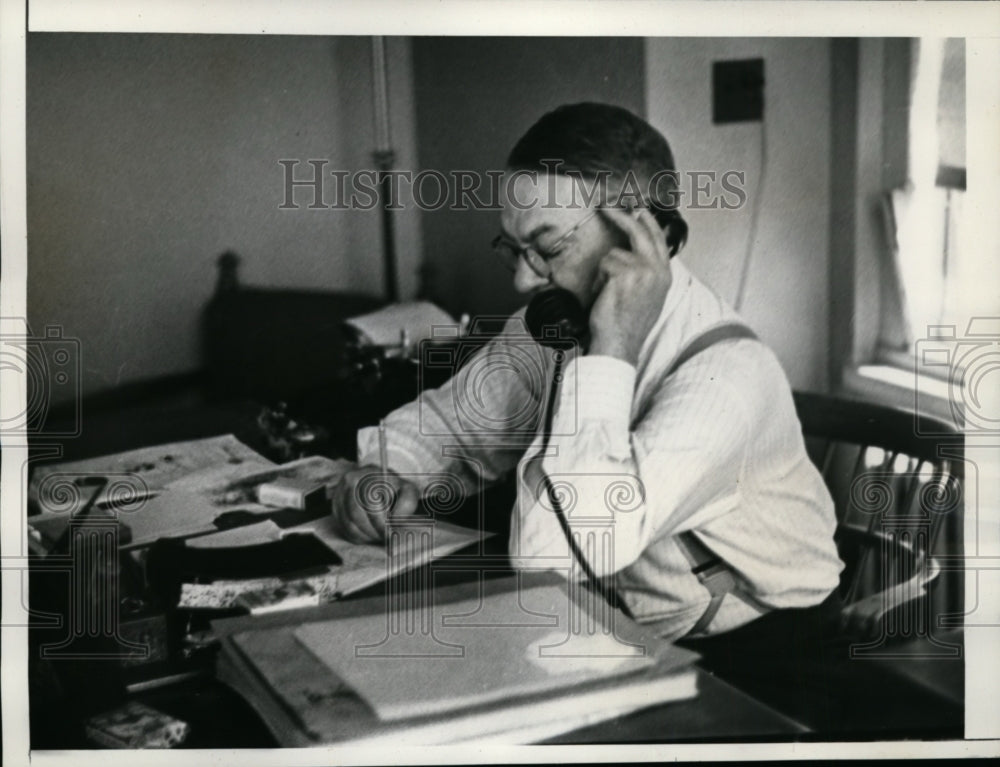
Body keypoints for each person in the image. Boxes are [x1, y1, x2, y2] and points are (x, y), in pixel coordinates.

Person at [331, 102, 843, 641]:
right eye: (514, 249)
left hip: (757, 646)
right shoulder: (556, 326)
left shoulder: (727, 378)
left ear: (645, 237)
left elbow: (554, 551)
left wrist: (610, 352)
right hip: (614, 615)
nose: (524, 284)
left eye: (548, 248)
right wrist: (384, 473)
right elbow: (448, 423)